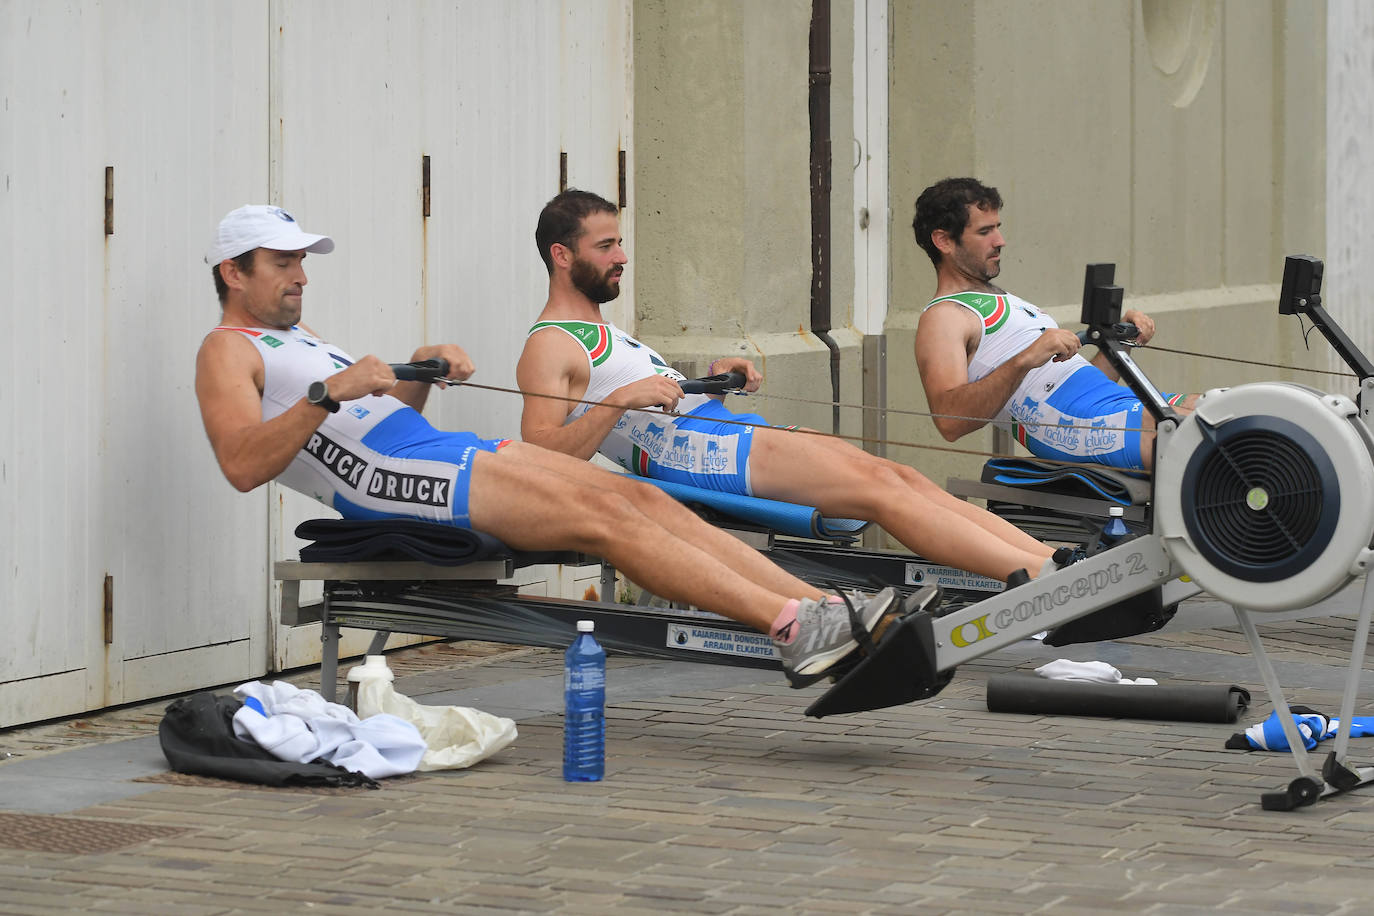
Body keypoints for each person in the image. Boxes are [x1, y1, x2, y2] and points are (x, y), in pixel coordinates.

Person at [194, 204, 907, 688]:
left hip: (429, 451)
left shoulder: (295, 337)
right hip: (397, 482)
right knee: (607, 520)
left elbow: (366, 420)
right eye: (281, 262)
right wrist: (328, 394)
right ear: (234, 272)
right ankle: (790, 628)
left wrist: (417, 373)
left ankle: (828, 608)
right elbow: (243, 465)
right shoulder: (226, 349)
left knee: (641, 497)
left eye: (301, 260)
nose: (300, 275)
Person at [515, 189, 1057, 585]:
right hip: (714, 456)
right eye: (606, 246)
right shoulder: (550, 344)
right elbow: (540, 454)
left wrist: (714, 381)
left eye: (619, 243)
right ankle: (1040, 577)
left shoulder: (601, 332)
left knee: (899, 477)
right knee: (882, 493)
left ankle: (1054, 561)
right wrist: (616, 401)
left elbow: (651, 415)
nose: (622, 257)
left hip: (727, 436)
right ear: (562, 255)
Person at [911, 177, 1198, 471]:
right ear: (944, 241)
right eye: (985, 232)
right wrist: (1025, 359)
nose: (1000, 241)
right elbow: (949, 422)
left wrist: (1118, 340)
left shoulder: (1003, 299)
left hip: (1102, 402)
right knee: (1203, 435)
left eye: (997, 228)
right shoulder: (944, 316)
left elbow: (1077, 384)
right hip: (1071, 422)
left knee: (1217, 407)